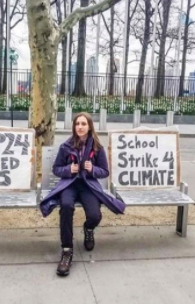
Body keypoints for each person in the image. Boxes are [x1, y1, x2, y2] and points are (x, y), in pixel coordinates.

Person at [40, 112, 126, 277]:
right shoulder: (66, 146)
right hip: (69, 184)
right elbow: (56, 169)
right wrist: (68, 170)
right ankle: (67, 251)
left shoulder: (97, 148)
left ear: (89, 127)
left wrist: (92, 169)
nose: (80, 127)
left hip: (88, 186)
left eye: (83, 124)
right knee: (65, 206)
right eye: (77, 124)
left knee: (95, 215)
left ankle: (88, 228)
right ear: (74, 127)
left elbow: (105, 171)